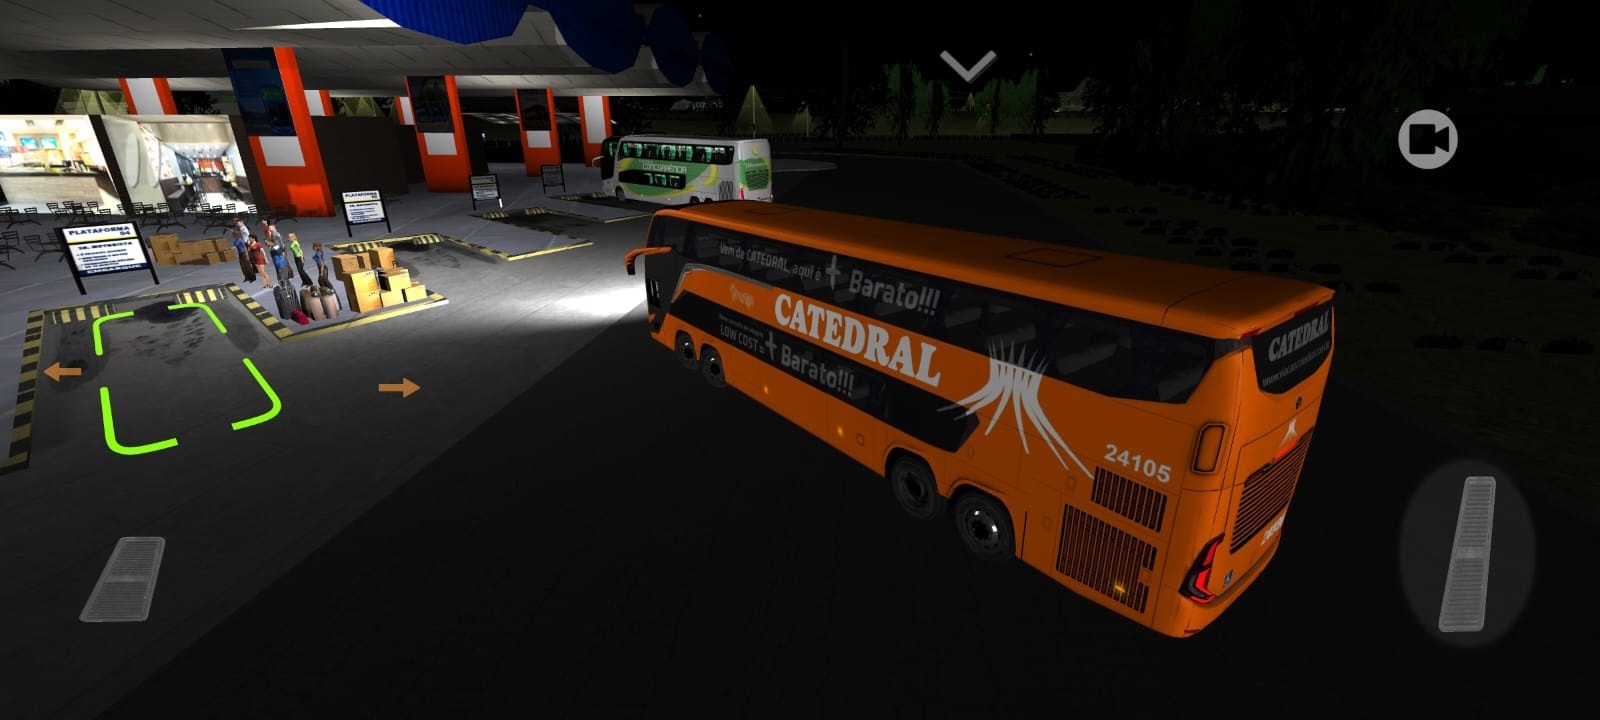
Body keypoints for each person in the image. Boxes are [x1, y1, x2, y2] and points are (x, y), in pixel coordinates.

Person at [229, 219, 254, 283]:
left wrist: (247, 254)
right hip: (240, 253)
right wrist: (233, 248)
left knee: (247, 265)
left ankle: (252, 277)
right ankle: (246, 277)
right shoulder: (237, 239)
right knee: (242, 265)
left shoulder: (240, 239)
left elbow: (244, 246)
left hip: (244, 252)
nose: (233, 235)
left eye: (234, 234)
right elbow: (237, 245)